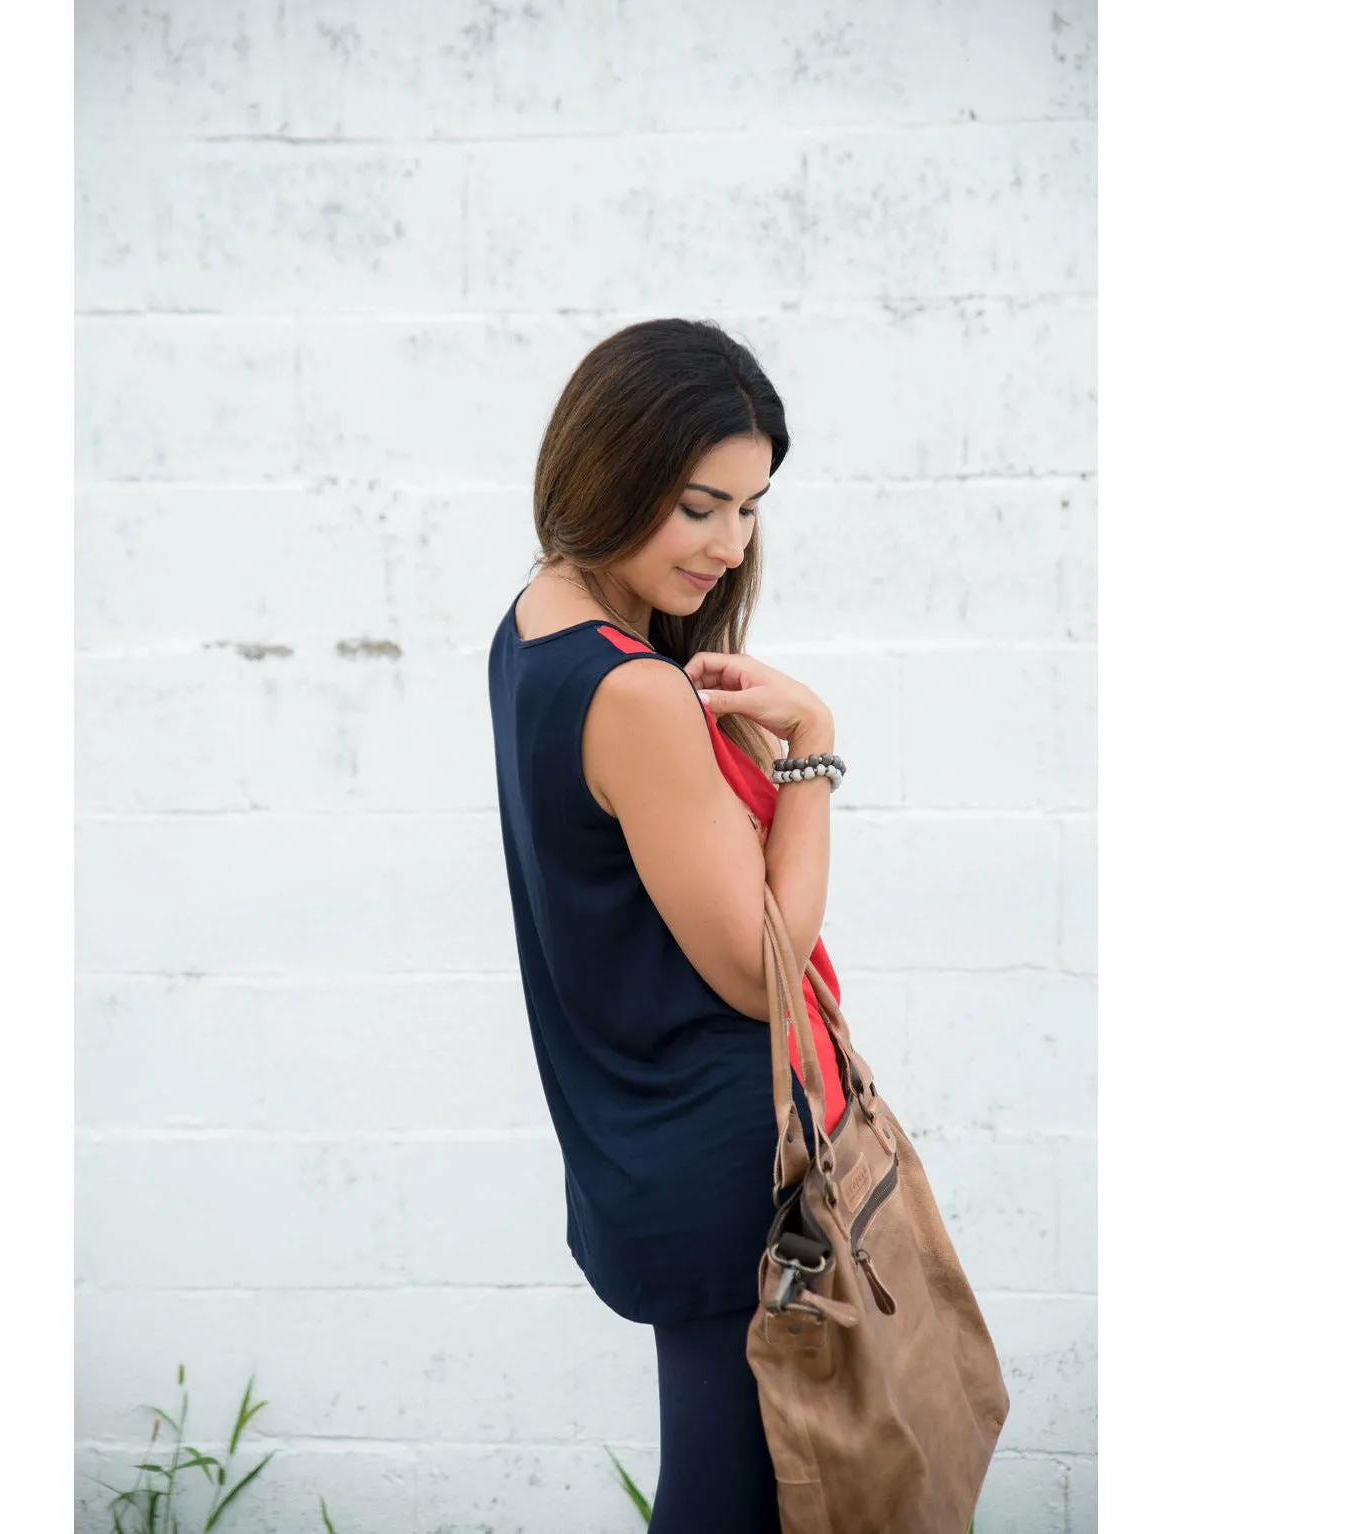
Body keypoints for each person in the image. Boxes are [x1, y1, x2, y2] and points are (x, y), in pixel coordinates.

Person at [486, 318, 850, 1532]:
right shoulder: (634, 691)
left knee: (728, 1490)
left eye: (749, 509)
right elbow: (763, 974)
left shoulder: (534, 625)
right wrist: (811, 751)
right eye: (700, 505)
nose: (728, 544)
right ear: (615, 467)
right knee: (728, 1502)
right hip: (721, 1159)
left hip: (645, 1135)